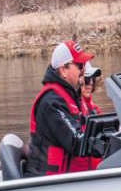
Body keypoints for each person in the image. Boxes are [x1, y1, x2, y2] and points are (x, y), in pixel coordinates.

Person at [26, 39, 93, 175]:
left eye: (84, 65)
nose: (84, 69)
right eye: (80, 65)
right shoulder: (51, 102)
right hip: (48, 183)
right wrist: (107, 143)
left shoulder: (74, 96)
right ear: (63, 71)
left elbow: (92, 125)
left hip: (71, 180)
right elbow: (77, 142)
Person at [69, 62, 104, 172]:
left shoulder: (95, 109)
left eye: (92, 79)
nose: (90, 83)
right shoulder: (72, 107)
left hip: (97, 170)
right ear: (79, 81)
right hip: (81, 173)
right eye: (87, 79)